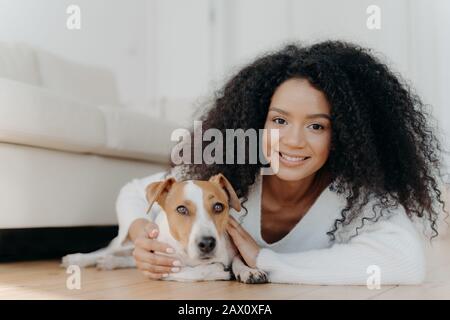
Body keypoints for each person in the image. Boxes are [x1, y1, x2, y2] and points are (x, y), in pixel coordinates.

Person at [117, 41, 448, 285]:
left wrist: (265, 260)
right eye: (278, 121)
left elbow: (404, 263)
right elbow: (134, 192)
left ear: (345, 135)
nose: (293, 141)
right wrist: (145, 235)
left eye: (317, 126)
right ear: (255, 122)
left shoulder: (356, 196)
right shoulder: (228, 174)